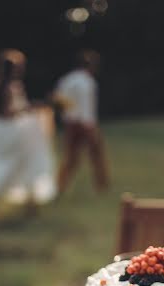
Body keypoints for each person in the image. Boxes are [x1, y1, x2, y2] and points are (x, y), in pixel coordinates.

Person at [0, 49, 56, 226]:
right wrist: (28, 109)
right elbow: (10, 112)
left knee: (17, 166)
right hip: (12, 134)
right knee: (21, 165)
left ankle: (30, 207)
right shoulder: (9, 87)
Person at [53, 49, 109, 194]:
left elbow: (59, 101)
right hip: (85, 123)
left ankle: (60, 186)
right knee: (96, 155)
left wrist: (67, 118)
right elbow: (86, 107)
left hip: (70, 123)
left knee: (71, 158)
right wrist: (90, 126)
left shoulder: (66, 79)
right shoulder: (87, 82)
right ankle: (101, 186)